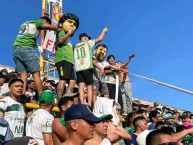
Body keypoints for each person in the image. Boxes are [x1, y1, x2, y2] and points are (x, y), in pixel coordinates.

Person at [13, 16, 59, 95]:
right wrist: (59, 29)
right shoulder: (38, 22)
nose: (44, 29)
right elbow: (49, 26)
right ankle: (41, 95)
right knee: (36, 73)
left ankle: (22, 95)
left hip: (16, 50)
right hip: (26, 48)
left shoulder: (27, 22)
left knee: (23, 74)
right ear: (44, 21)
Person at [74, 28, 108, 107]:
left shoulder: (75, 46)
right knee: (89, 86)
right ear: (85, 38)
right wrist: (104, 31)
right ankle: (89, 103)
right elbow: (100, 39)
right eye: (87, 38)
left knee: (81, 86)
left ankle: (82, 102)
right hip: (87, 67)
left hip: (78, 68)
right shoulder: (88, 43)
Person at [55, 13, 79, 99]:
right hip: (62, 59)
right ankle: (59, 100)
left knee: (72, 81)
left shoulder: (69, 39)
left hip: (69, 61)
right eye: (70, 22)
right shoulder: (60, 32)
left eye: (74, 24)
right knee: (63, 79)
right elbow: (60, 40)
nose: (72, 25)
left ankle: (67, 98)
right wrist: (69, 33)